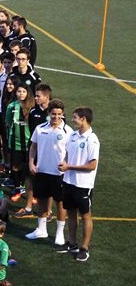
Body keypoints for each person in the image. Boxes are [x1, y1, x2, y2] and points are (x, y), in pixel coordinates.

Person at [27, 99, 71, 245]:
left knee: (60, 203)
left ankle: (59, 233)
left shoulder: (68, 131)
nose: (56, 117)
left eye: (59, 114)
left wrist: (67, 164)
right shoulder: (40, 128)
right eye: (53, 114)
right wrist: (31, 162)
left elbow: (71, 152)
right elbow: (33, 146)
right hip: (41, 171)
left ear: (62, 114)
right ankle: (41, 229)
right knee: (41, 200)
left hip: (59, 174)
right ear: (48, 113)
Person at [58, 107, 99, 262]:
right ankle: (72, 243)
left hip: (83, 184)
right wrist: (65, 164)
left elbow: (92, 166)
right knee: (71, 213)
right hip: (68, 181)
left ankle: (84, 248)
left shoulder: (92, 140)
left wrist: (69, 167)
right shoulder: (73, 135)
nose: (72, 119)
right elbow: (68, 155)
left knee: (86, 216)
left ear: (83, 119)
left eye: (75, 117)